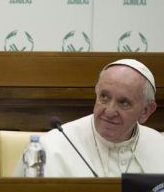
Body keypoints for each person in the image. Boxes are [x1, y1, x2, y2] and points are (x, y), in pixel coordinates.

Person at [13, 59, 164, 177]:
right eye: (104, 97)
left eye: (123, 102)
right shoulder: (51, 147)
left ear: (145, 111)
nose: (110, 111)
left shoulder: (160, 147)